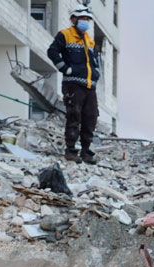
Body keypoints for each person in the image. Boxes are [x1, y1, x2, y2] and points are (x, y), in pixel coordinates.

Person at [47, 4, 100, 165]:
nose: (85, 22)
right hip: (73, 84)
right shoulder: (65, 35)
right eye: (83, 18)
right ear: (74, 19)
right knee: (74, 116)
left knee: (90, 117)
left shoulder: (89, 41)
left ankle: (86, 151)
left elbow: (94, 62)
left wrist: (96, 75)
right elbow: (52, 51)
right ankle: (70, 150)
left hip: (90, 85)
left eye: (87, 19)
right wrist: (64, 68)